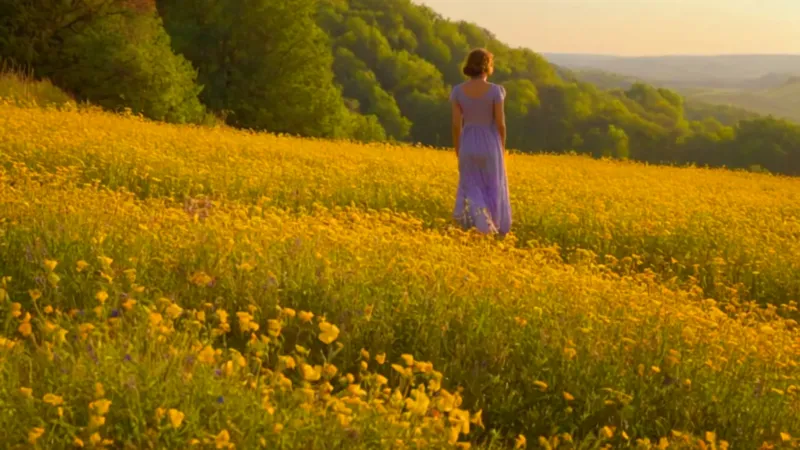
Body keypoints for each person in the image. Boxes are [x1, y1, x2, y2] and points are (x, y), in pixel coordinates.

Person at [450, 48, 512, 235]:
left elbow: (455, 125)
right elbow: (500, 124)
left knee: (470, 186)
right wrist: (502, 147)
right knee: (492, 186)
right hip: (490, 144)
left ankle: (474, 228)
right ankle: (489, 229)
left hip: (468, 143)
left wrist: (458, 149)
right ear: (488, 66)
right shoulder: (495, 91)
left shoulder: (458, 91)